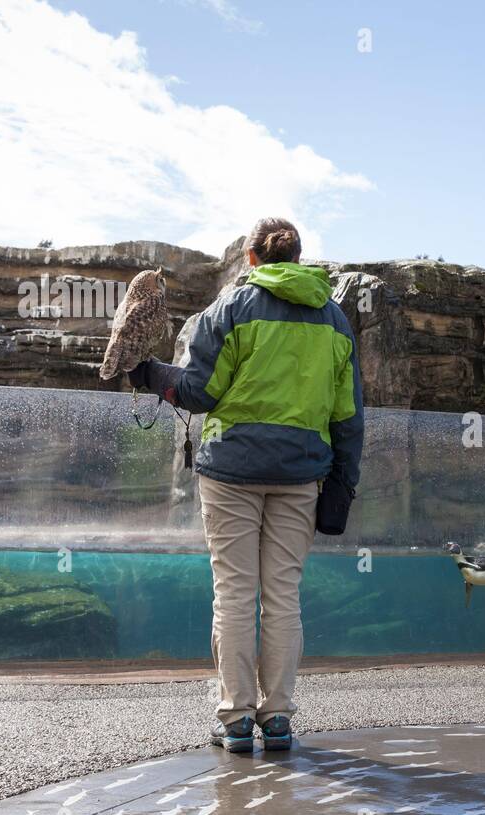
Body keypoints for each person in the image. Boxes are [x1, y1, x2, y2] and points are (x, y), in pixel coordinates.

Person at [128, 216, 364, 750]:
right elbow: (348, 417)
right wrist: (342, 485)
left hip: (231, 472)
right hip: (302, 475)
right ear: (297, 259)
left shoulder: (232, 308)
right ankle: (277, 717)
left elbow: (199, 391)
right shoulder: (335, 321)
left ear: (252, 259)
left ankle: (236, 719)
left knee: (235, 594)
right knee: (282, 596)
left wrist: (148, 374)